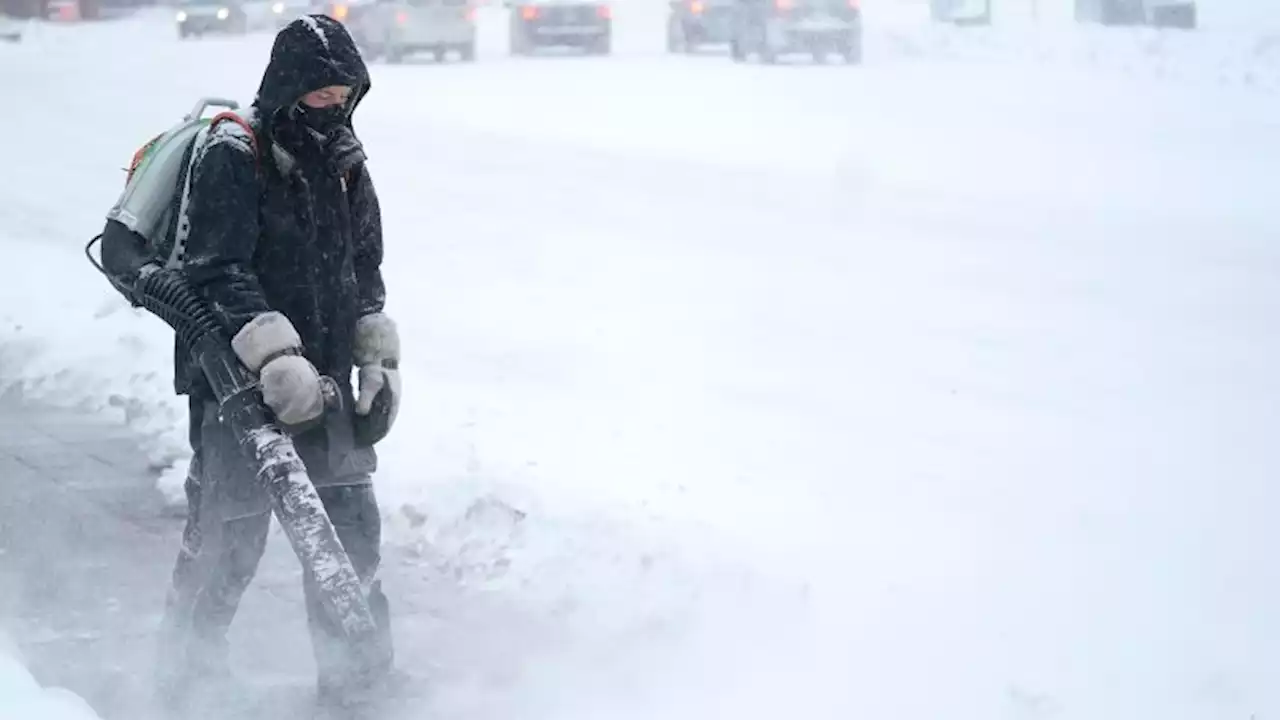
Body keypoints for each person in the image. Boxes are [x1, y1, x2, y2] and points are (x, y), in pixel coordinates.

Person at [155, 14, 402, 714]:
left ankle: (358, 687)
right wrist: (273, 353)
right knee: (228, 544)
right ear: (289, 86)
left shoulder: (347, 161)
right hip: (236, 386)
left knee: (352, 536)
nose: (331, 105)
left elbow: (364, 267)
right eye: (319, 93)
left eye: (343, 93)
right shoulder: (235, 156)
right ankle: (181, 685)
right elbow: (214, 270)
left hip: (324, 384)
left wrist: (374, 357)